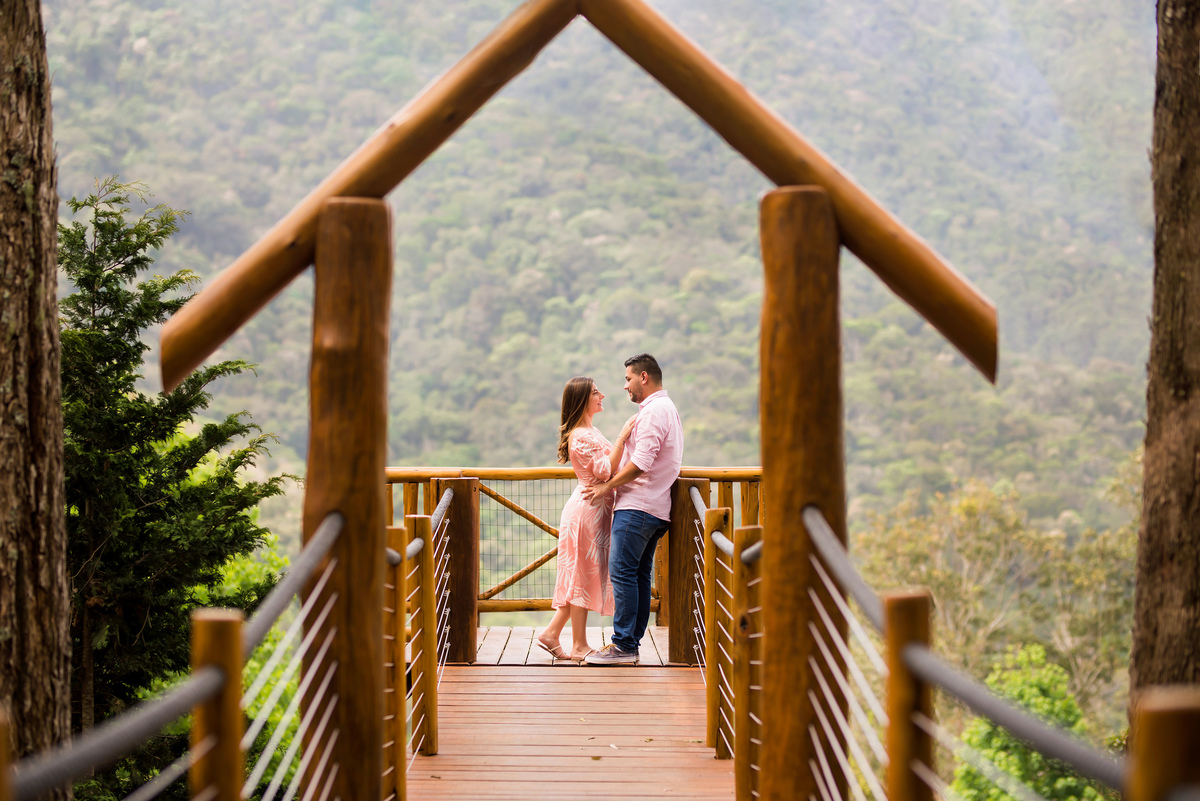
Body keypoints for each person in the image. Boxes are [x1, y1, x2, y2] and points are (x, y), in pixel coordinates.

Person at [582, 354, 683, 665]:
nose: (624, 386)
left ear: (643, 377)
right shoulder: (667, 409)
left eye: (628, 379)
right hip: (654, 506)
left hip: (638, 506)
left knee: (623, 573)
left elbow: (641, 463)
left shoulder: (653, 412)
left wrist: (605, 486)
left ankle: (624, 646)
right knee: (637, 575)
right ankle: (630, 644)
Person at [537, 376, 637, 662]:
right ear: (582, 399)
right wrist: (622, 436)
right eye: (596, 392)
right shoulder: (582, 436)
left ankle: (551, 634)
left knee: (578, 576)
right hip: (587, 513)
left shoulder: (589, 431)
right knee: (579, 576)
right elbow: (605, 471)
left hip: (593, 511)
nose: (602, 395)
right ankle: (579, 644)